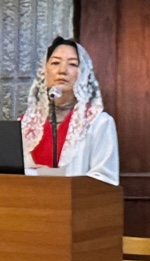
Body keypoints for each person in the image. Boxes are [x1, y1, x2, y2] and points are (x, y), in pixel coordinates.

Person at [21, 36, 120, 185]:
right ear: (44, 72)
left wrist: (47, 175)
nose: (62, 70)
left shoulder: (98, 123)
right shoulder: (25, 125)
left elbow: (105, 180)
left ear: (83, 73)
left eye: (72, 64)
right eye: (55, 63)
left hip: (77, 200)